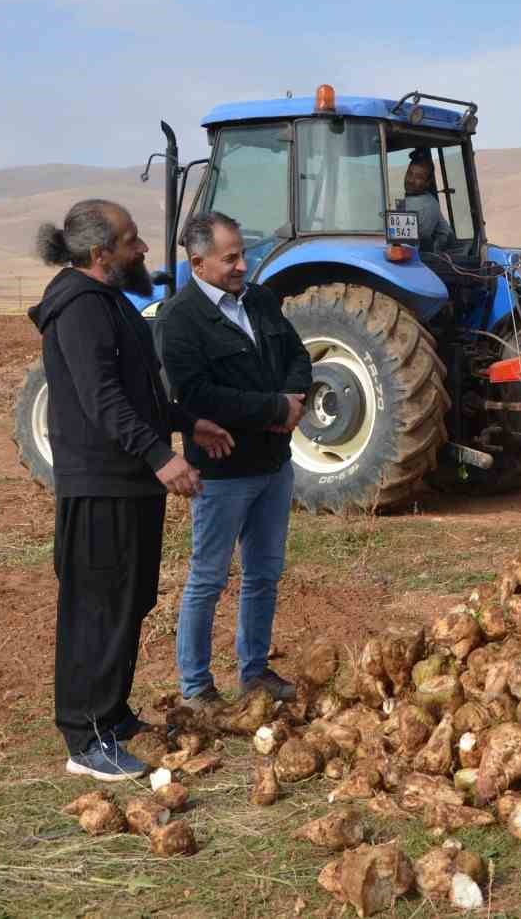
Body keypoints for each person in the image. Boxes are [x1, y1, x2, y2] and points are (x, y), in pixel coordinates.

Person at [30, 199, 234, 781]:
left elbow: (136, 393)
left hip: (128, 482)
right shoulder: (79, 309)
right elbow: (102, 400)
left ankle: (112, 715)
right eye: (132, 240)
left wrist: (182, 420)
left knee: (129, 598)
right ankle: (85, 737)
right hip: (101, 484)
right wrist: (160, 457)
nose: (144, 248)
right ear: (101, 254)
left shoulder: (108, 303)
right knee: (95, 607)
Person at [156, 211, 312, 710]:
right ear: (198, 263)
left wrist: (292, 397)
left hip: (273, 465)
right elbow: (195, 392)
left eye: (242, 253)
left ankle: (254, 672)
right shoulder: (179, 319)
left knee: (264, 573)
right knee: (209, 577)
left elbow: (297, 355)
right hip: (223, 472)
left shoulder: (261, 301)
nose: (243, 265)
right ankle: (196, 687)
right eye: (231, 258)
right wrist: (274, 409)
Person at [397, 149, 455, 254]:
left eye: (418, 177)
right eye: (410, 173)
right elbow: (446, 233)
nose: (410, 180)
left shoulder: (425, 206)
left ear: (428, 183)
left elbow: (408, 243)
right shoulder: (421, 199)